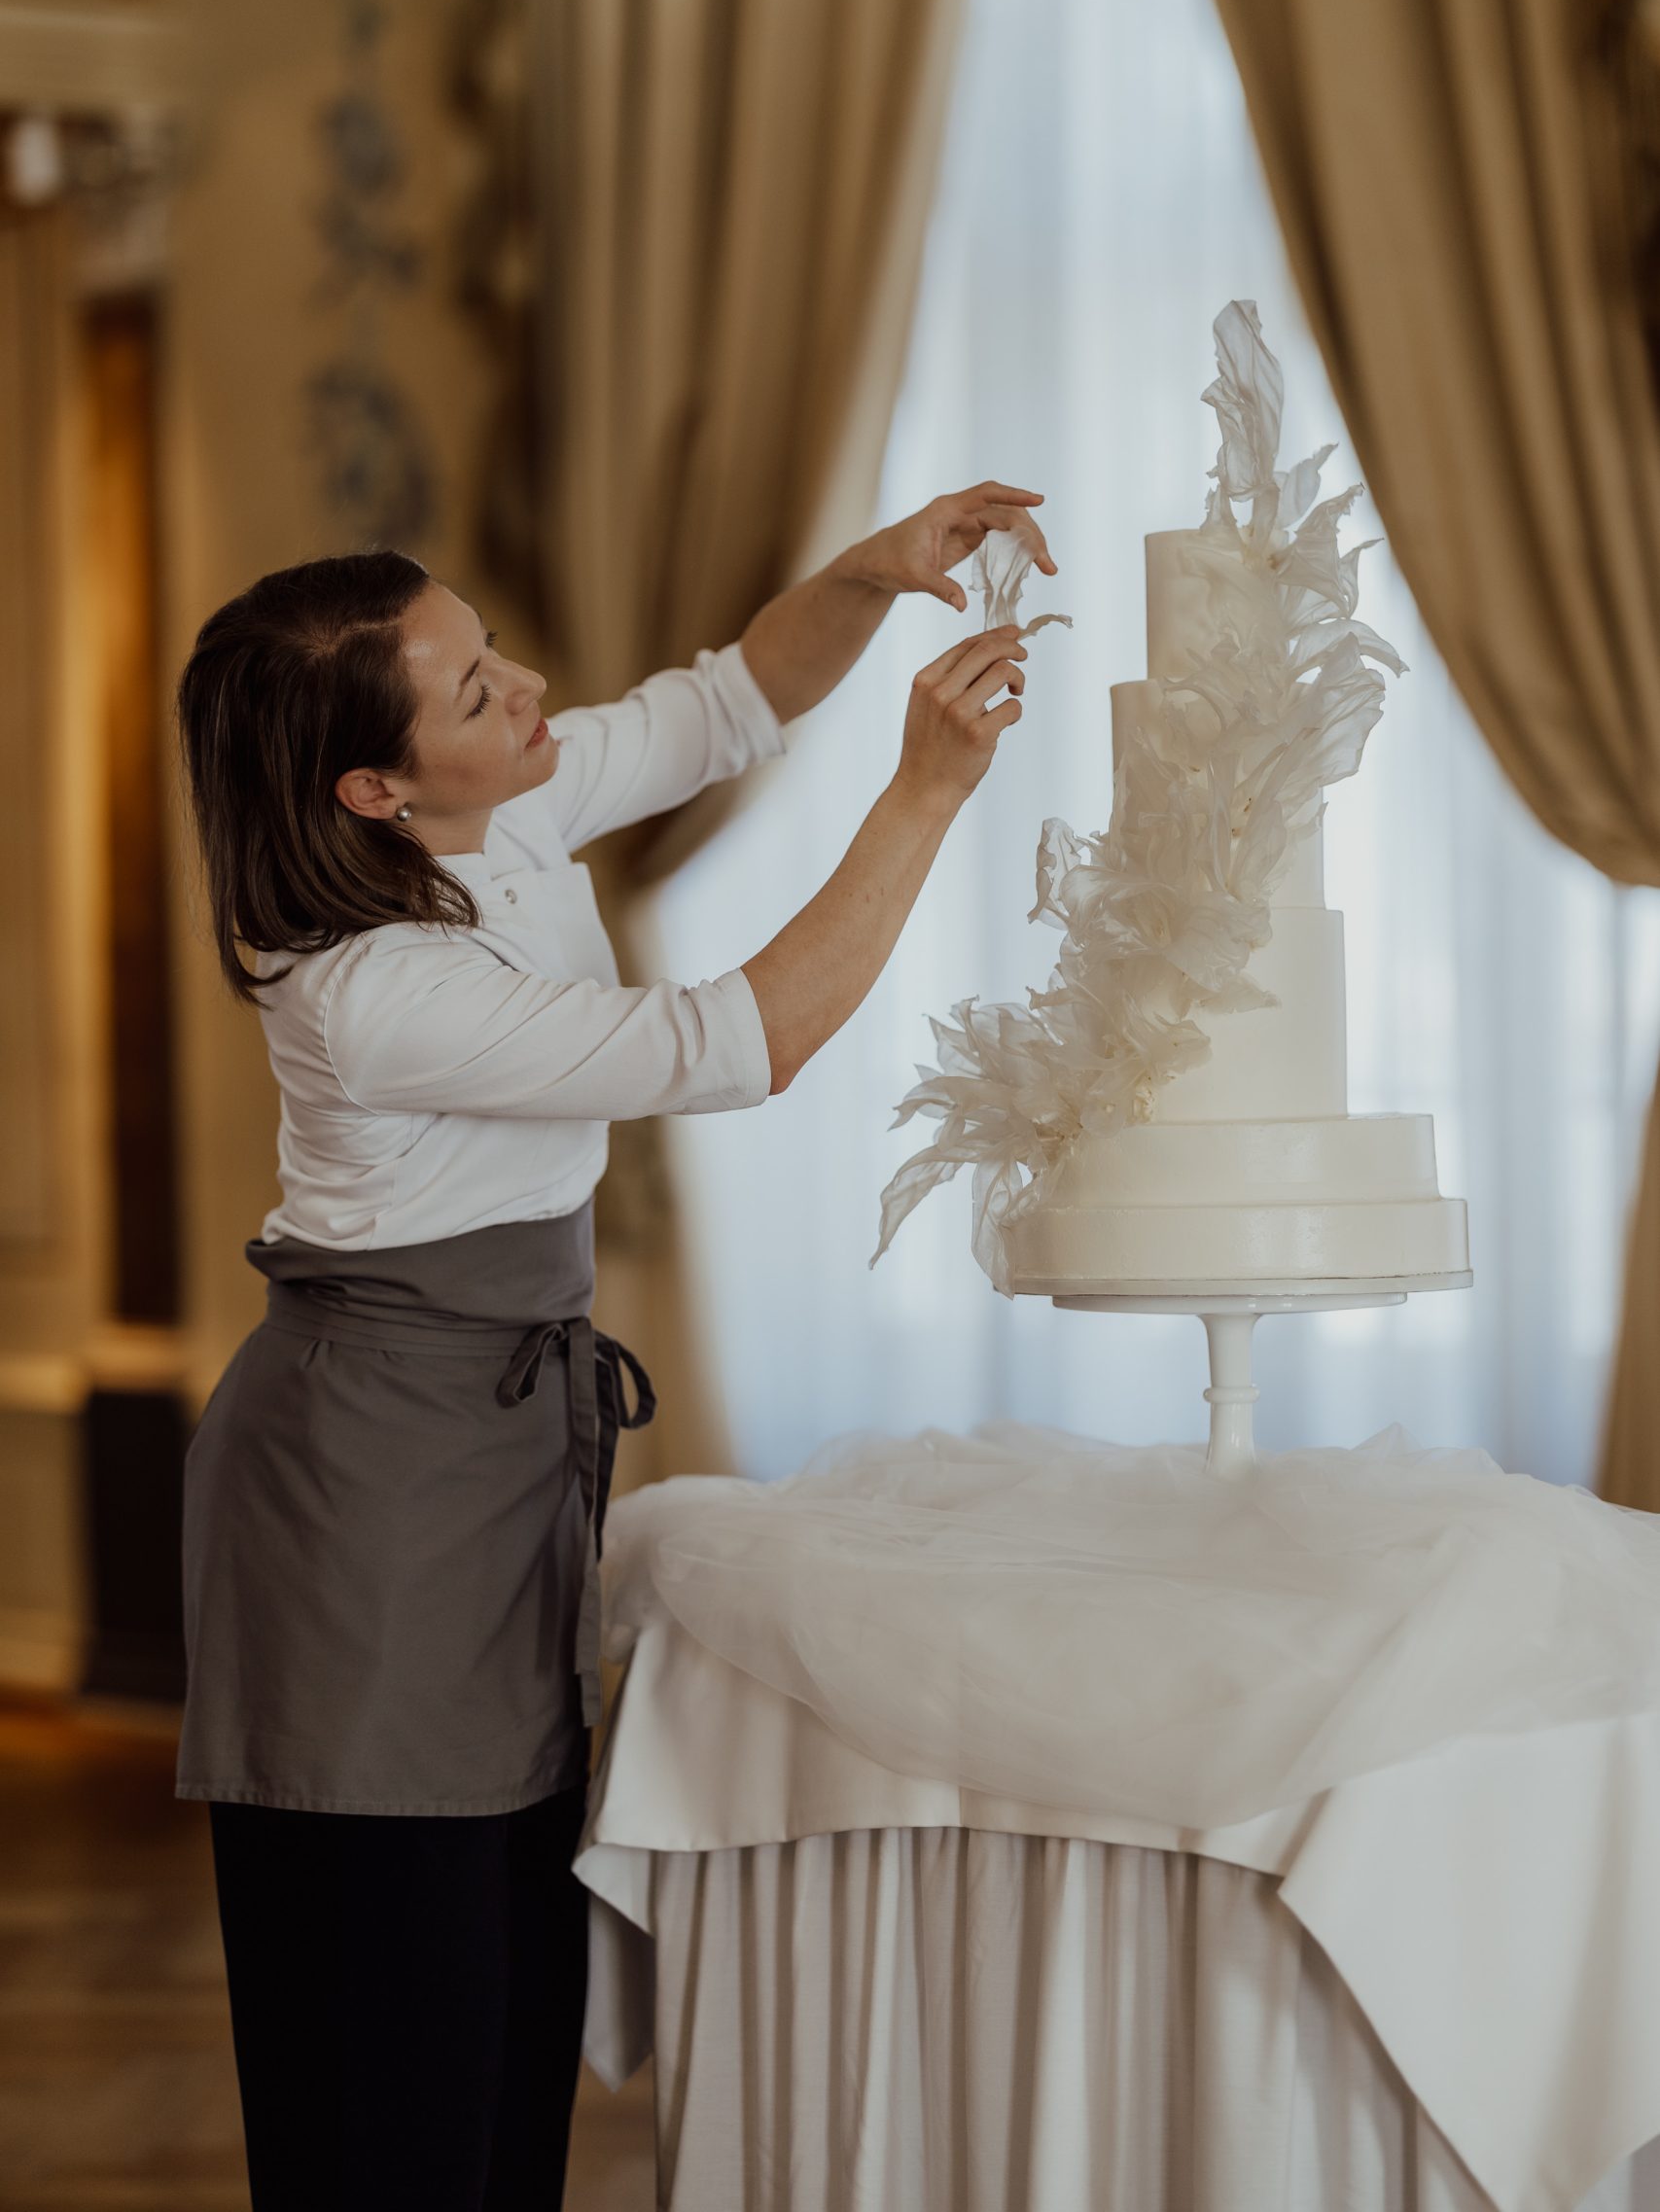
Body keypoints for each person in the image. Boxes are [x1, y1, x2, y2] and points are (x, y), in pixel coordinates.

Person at [170, 482, 1052, 2211]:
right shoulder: (367, 982)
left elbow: (729, 700)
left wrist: (877, 570)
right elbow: (743, 1041)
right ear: (374, 787)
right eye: (474, 685)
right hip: (365, 1511)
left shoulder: (486, 813)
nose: (527, 687)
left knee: (506, 2028)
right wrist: (926, 792)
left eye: (489, 648)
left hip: (487, 1460)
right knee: (396, 2068)